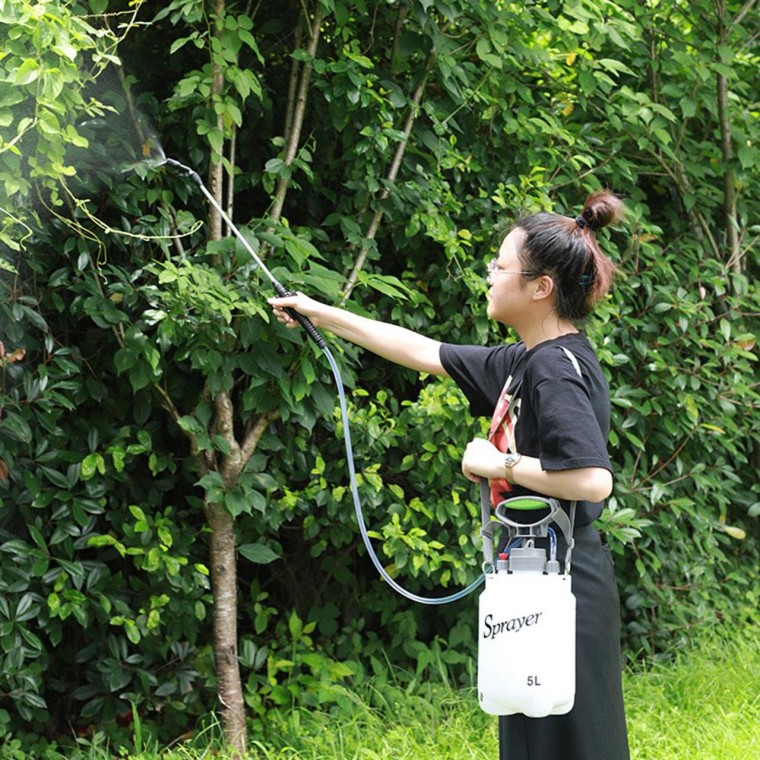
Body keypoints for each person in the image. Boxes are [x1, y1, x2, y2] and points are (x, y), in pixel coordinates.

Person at [269, 189, 630, 760]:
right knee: (539, 741)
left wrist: (498, 463)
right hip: (536, 574)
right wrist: (318, 312)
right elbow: (422, 350)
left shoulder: (552, 370)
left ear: (540, 288)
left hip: (563, 582)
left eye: (501, 265)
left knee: (564, 745)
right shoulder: (528, 358)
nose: (489, 273)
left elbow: (592, 481)